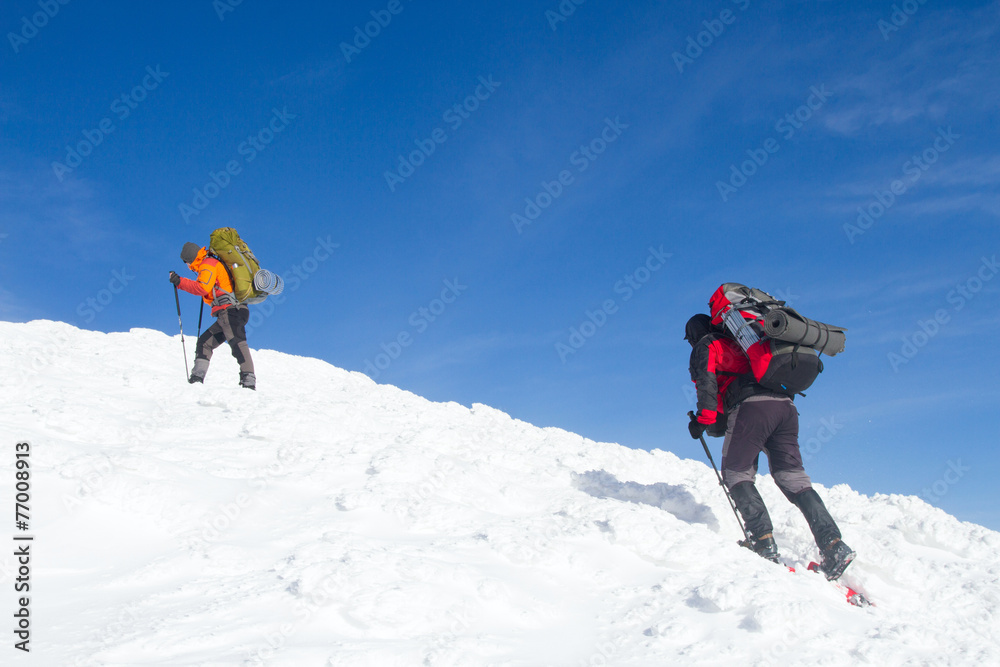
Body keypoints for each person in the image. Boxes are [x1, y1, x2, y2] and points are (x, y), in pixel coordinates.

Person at [685, 313, 855, 579]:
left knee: (737, 473)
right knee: (793, 478)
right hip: (786, 408)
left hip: (752, 407)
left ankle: (763, 543)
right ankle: (834, 545)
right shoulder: (749, 343)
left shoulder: (708, 345)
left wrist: (703, 420)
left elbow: (707, 384)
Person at [169, 242, 256, 390]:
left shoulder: (208, 263)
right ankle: (196, 379)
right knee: (205, 342)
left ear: (190, 258)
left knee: (237, 342)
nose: (187, 265)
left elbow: (202, 288)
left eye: (186, 261)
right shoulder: (208, 263)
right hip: (229, 312)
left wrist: (180, 282)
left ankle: (249, 381)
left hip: (230, 310)